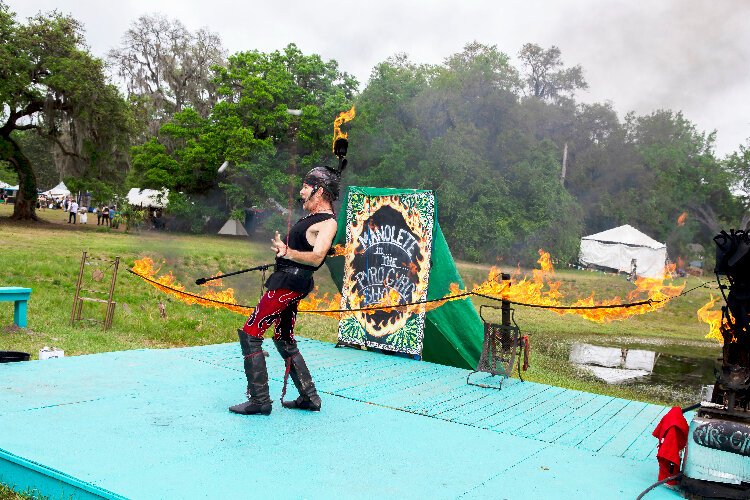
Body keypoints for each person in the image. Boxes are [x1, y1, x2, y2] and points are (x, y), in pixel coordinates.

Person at [229, 165, 342, 416]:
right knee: (283, 338)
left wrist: (288, 252)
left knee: (251, 333)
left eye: (305, 187)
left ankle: (260, 401)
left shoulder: (327, 222)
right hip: (288, 281)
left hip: (288, 285)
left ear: (319, 191)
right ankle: (308, 397)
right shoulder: (312, 219)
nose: (301, 192)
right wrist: (284, 251)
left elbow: (316, 258)